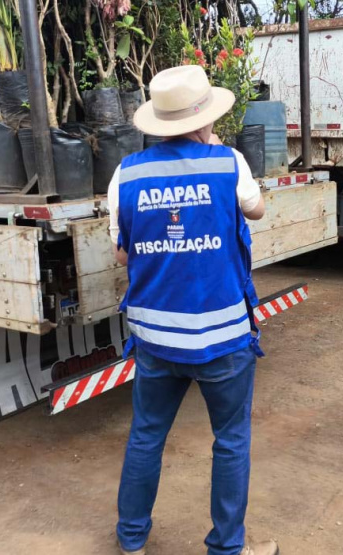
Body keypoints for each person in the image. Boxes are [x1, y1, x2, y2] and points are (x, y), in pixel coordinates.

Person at [107, 65, 278, 555]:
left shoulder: (127, 174)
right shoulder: (228, 163)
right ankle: (227, 548)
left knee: (146, 436)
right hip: (224, 336)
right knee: (230, 440)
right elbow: (257, 210)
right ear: (205, 117)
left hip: (157, 338)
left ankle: (131, 539)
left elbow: (123, 253)